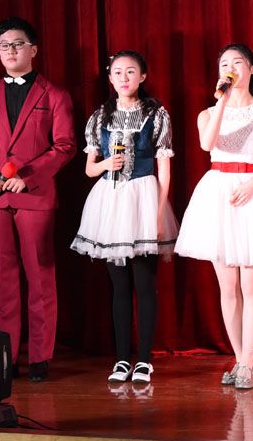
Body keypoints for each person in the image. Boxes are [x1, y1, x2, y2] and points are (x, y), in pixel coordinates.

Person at [175, 43, 253, 389]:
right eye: (224, 64)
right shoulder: (208, 112)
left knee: (252, 286)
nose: (231, 68)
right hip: (218, 195)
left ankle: (247, 364)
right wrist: (222, 101)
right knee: (228, 287)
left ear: (252, 69)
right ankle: (239, 359)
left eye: (238, 62)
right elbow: (206, 144)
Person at [0, 17, 76, 382]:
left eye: (18, 44)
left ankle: (41, 356)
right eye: (4, 46)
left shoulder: (55, 94)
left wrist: (27, 177)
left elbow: (65, 146)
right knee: (3, 278)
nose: (11, 50)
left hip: (35, 195)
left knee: (40, 274)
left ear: (33, 50)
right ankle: (7, 354)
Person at [71, 50, 179, 384]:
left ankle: (143, 360)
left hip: (143, 198)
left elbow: (164, 168)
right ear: (110, 77)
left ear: (142, 76)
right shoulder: (100, 116)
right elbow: (90, 169)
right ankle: (121, 360)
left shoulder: (155, 114)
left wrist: (158, 213)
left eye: (130, 71)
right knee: (119, 286)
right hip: (111, 202)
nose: (124, 78)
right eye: (117, 72)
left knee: (144, 284)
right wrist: (106, 164)